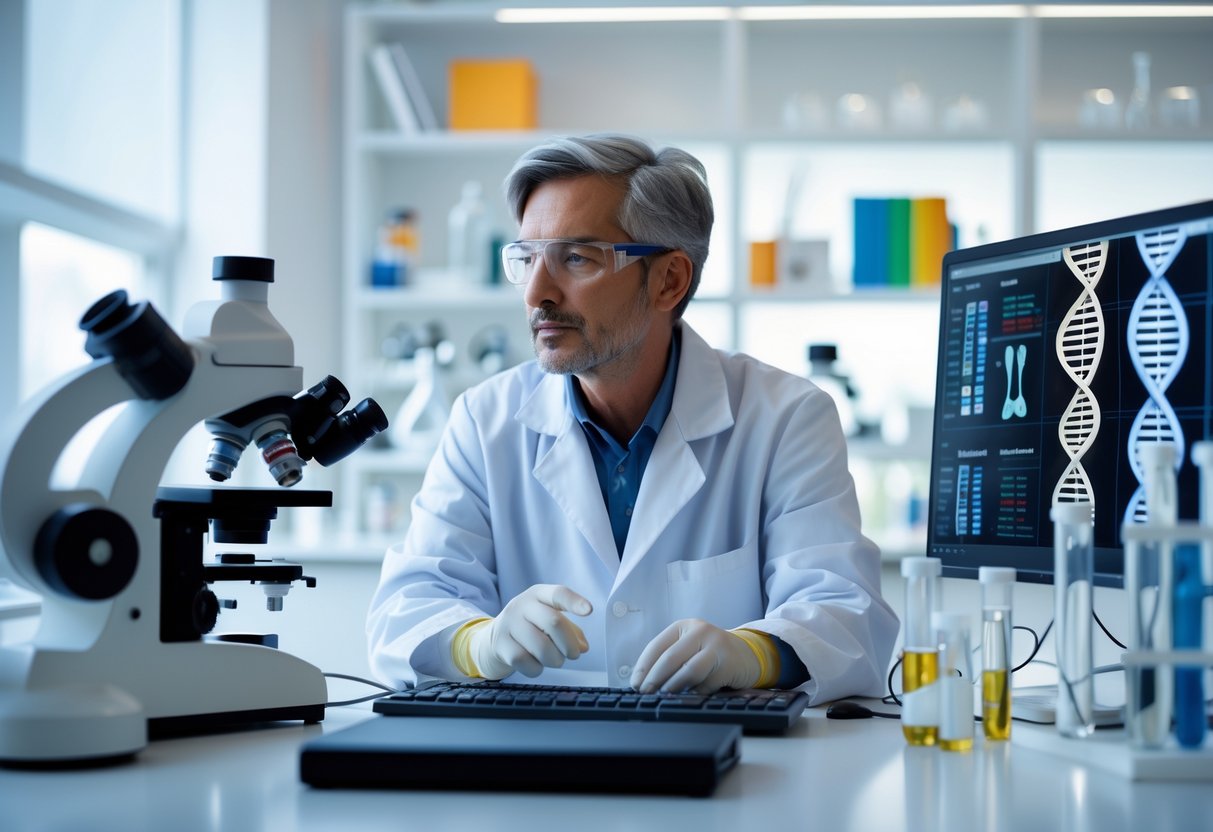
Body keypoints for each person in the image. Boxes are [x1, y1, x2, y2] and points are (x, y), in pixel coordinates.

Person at [366, 134, 898, 702]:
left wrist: (755, 654)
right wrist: (478, 643)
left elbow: (846, 615)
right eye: (527, 258)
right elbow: (407, 608)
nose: (538, 293)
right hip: (531, 748)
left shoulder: (785, 418)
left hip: (721, 751)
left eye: (576, 258)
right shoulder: (484, 421)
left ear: (669, 280)